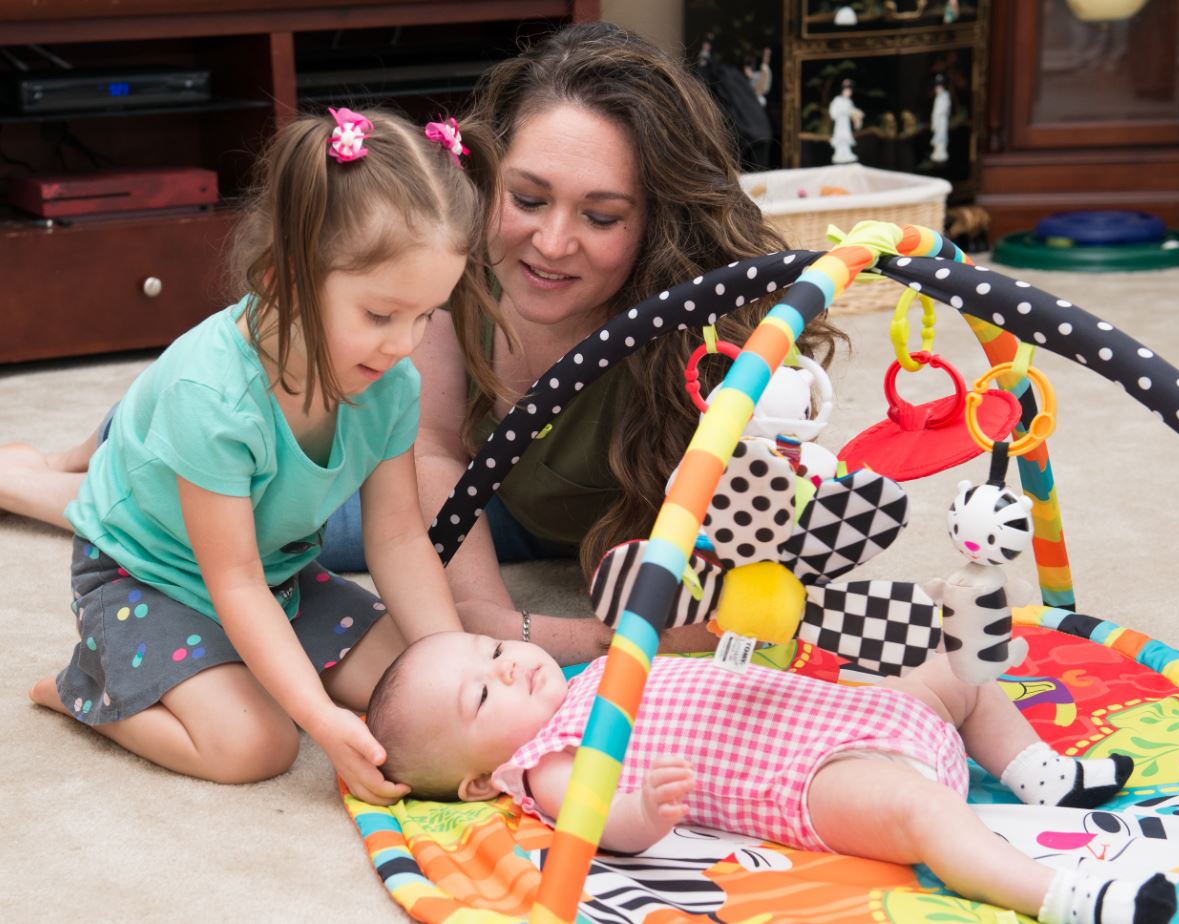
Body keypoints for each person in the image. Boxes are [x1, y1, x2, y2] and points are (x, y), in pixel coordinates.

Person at [0, 23, 846, 666]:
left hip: (513, 513)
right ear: (489, 181)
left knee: (289, 515)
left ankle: (71, 463)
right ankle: (56, 470)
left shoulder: (701, 330)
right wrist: (491, 623)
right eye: (528, 198)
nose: (551, 243)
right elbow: (435, 453)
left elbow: (770, 502)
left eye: (600, 216)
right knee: (204, 492)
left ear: (657, 218)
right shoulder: (450, 268)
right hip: (428, 465)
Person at [25, 106, 493, 805]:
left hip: (275, 575)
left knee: (414, 692)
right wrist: (319, 720)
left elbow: (396, 536)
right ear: (282, 278)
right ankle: (85, 692)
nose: (406, 343)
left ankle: (252, 669)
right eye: (380, 315)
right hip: (147, 580)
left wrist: (452, 669)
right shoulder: (210, 393)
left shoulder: (391, 381)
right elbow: (231, 580)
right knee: (259, 745)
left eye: (427, 315)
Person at [365, 632, 1177, 924]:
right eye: (481, 694)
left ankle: (1039, 773)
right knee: (917, 810)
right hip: (814, 774)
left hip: (850, 712)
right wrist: (644, 811)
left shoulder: (595, 671)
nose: (508, 671)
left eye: (494, 650)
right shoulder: (546, 762)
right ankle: (1052, 893)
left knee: (957, 668)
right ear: (478, 782)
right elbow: (599, 825)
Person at [828, 78, 864, 164]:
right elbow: (833, 110)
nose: (849, 92)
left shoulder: (849, 101)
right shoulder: (837, 99)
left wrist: (857, 113)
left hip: (846, 122)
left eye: (850, 91)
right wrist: (841, 113)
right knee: (840, 136)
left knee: (846, 136)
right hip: (840, 121)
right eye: (847, 90)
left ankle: (847, 153)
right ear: (843, 90)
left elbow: (852, 110)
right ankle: (839, 154)